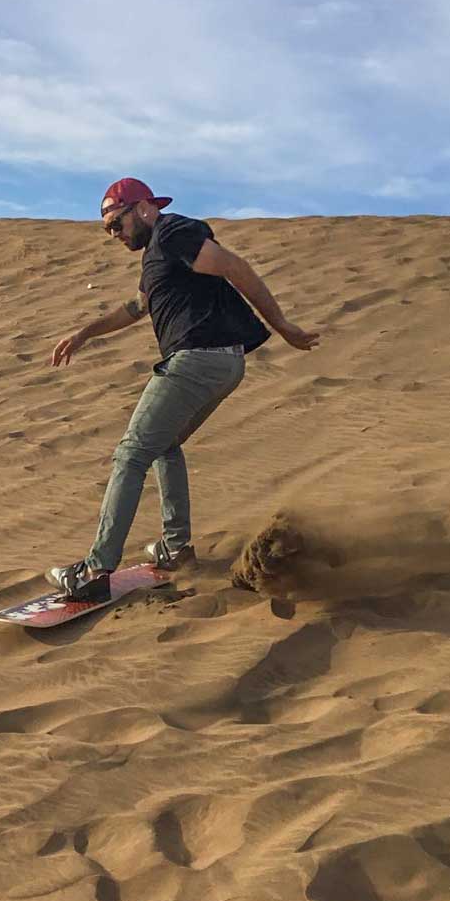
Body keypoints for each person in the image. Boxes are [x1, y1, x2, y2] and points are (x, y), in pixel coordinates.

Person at [45, 177, 320, 602]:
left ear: (143, 209)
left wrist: (282, 325)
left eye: (116, 224)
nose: (114, 235)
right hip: (222, 363)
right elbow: (136, 308)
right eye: (108, 230)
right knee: (164, 445)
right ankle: (176, 549)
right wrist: (85, 333)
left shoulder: (173, 232)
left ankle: (96, 571)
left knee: (131, 454)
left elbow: (235, 267)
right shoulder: (157, 256)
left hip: (197, 359)